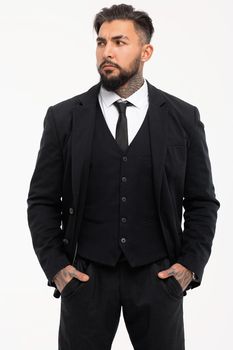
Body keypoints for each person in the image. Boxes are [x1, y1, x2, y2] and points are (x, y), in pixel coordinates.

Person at [27, 4, 220, 350]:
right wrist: (57, 268)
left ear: (146, 51)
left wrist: (189, 266)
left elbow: (202, 201)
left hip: (158, 278)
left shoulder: (182, 118)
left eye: (119, 42)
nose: (107, 52)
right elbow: (41, 201)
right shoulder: (63, 118)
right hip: (84, 277)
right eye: (101, 43)